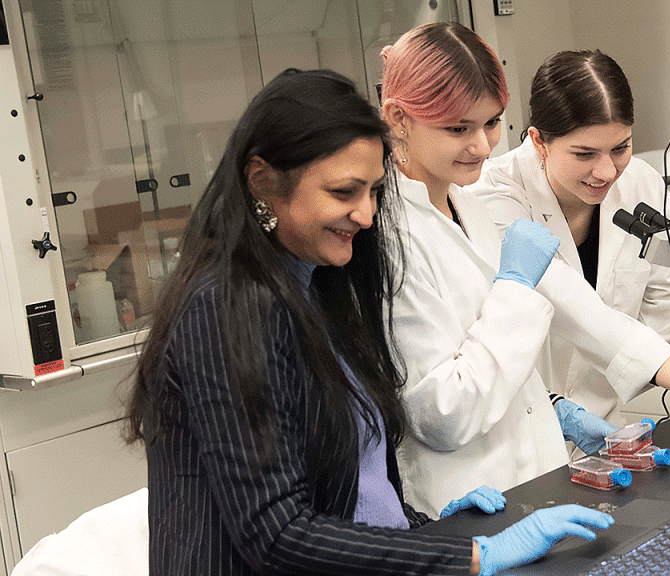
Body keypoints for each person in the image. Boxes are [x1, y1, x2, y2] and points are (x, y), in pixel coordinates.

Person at [123, 68, 613, 576]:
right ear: (263, 182)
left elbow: (350, 480)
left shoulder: (318, 287)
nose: (365, 213)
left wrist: (420, 527)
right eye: (344, 192)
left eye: (375, 191)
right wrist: (468, 555)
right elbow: (276, 533)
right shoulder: (225, 308)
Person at [379, 23, 670, 518]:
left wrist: (551, 407)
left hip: (543, 465)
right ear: (398, 118)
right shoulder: (408, 229)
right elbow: (447, 405)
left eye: (490, 124)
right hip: (466, 494)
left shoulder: (464, 206)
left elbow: (649, 310)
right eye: (459, 129)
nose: (482, 146)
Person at [466, 49, 670, 425]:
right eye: (584, 153)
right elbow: (570, 305)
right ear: (538, 141)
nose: (606, 171)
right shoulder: (494, 194)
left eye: (620, 148)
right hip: (525, 426)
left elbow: (669, 307)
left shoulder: (640, 181)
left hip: (605, 423)